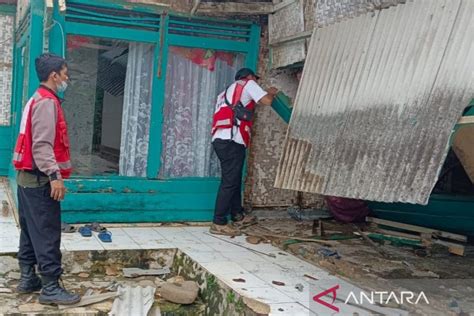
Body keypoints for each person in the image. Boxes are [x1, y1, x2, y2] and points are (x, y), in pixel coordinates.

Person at [12, 53, 80, 305]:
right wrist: (55, 177)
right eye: (64, 73)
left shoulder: (36, 98)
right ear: (54, 76)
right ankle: (50, 287)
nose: (66, 78)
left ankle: (28, 277)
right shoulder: (47, 102)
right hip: (40, 180)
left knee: (30, 231)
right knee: (48, 232)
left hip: (26, 179)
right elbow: (42, 146)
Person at [210, 68, 278, 236]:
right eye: (256, 79)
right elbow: (267, 101)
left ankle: (237, 215)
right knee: (229, 181)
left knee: (234, 179)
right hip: (232, 140)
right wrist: (271, 92)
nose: (257, 82)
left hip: (221, 139)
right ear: (250, 77)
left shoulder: (225, 92)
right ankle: (218, 222)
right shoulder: (248, 84)